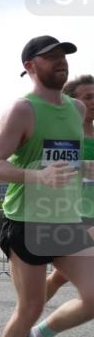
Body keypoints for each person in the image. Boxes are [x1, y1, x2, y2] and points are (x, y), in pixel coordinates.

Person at [0, 35, 94, 337]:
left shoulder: (77, 109)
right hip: (28, 221)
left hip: (66, 220)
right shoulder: (22, 110)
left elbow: (73, 157)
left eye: (63, 56)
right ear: (30, 67)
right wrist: (38, 176)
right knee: (29, 305)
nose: (60, 62)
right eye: (51, 58)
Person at [46, 74, 94, 301]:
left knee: (58, 278)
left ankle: (28, 321)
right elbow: (51, 171)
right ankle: (27, 318)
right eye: (89, 97)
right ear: (73, 103)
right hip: (76, 215)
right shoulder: (63, 135)